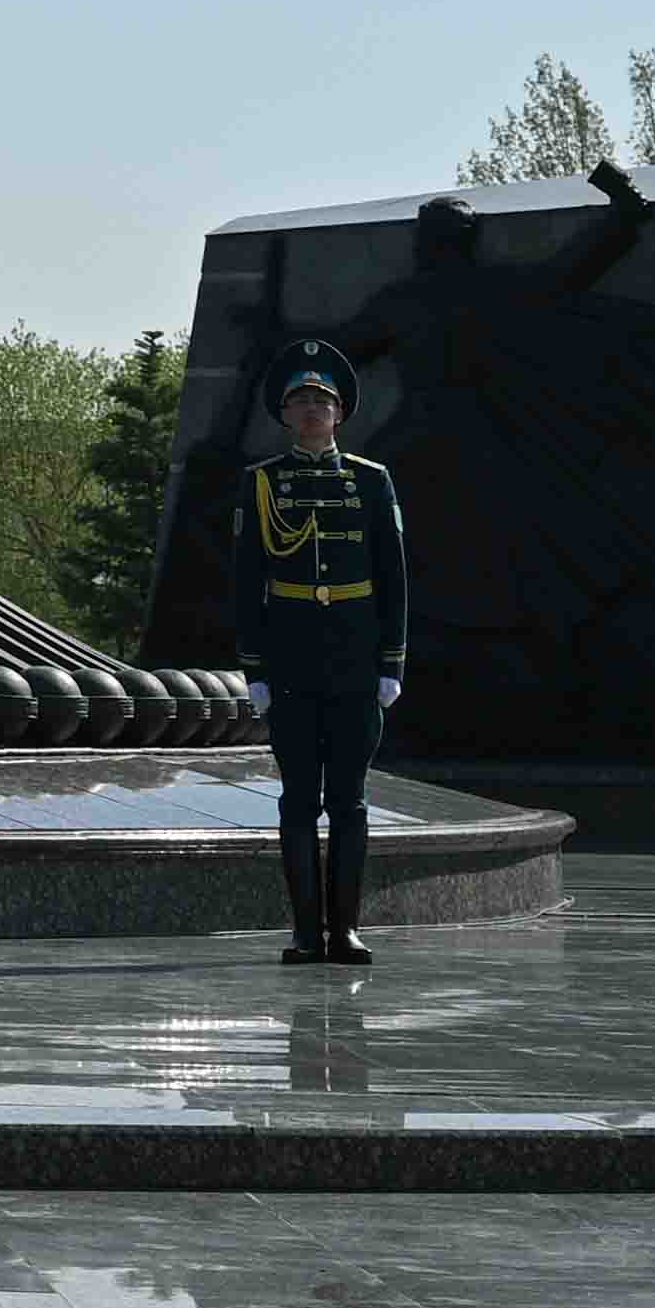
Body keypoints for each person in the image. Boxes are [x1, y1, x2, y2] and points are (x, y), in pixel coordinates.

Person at [241, 349, 412, 964]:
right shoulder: (262, 481)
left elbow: (393, 576)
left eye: (323, 401)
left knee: (349, 800)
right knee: (297, 800)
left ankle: (345, 929)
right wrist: (255, 669)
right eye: (301, 401)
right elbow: (247, 580)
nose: (312, 410)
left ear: (339, 414)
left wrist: (391, 662)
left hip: (355, 659)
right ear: (284, 414)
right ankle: (305, 932)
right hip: (292, 660)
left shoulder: (370, 480)